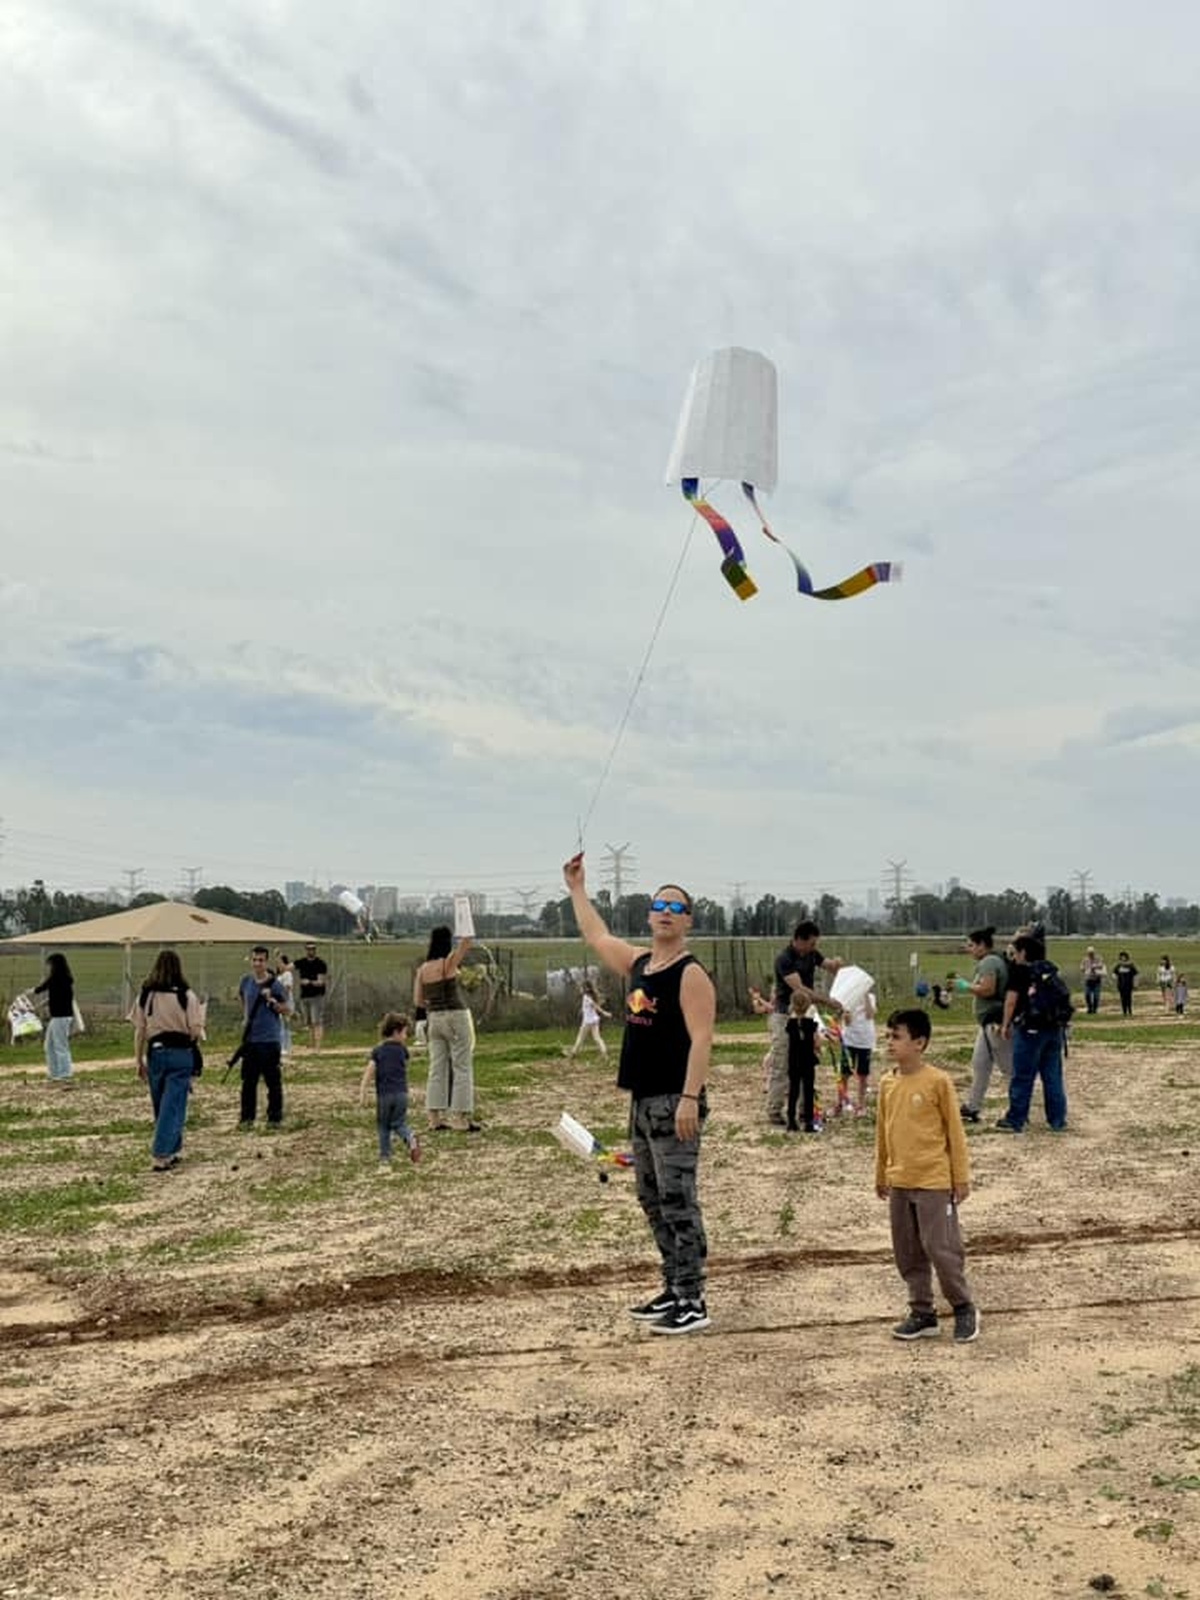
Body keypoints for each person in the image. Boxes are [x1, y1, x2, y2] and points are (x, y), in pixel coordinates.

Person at [563, 855, 715, 1335]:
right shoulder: (640, 964)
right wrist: (577, 889)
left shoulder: (690, 974)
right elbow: (597, 936)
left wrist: (690, 1098)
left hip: (675, 1101)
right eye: (659, 904)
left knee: (678, 1199)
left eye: (677, 905)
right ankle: (673, 1285)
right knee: (650, 1197)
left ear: (687, 920)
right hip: (643, 1100)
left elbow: (702, 1039)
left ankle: (693, 1299)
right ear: (649, 915)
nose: (666, 911)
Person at [875, 1008, 978, 1343]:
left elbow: (955, 1133)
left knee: (940, 1247)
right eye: (888, 1035)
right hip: (900, 1181)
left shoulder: (937, 1081)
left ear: (919, 1042)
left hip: (934, 1180)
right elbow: (882, 1133)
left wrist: (959, 1177)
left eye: (897, 1036)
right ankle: (922, 1312)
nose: (890, 1042)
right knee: (907, 1250)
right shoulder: (887, 1083)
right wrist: (882, 1173)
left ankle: (963, 1308)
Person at [131, 949, 205, 1171]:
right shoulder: (187, 996)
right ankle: (163, 1152)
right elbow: (195, 1031)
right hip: (181, 1053)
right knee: (174, 1104)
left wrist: (138, 1060)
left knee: (161, 1103)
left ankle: (172, 1149)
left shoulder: (146, 995)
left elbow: (140, 1030)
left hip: (156, 1053)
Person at [764, 923, 843, 1125]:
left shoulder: (812, 954)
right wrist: (827, 1001)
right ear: (799, 939)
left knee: (805, 1062)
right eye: (812, 942)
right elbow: (801, 990)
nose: (814, 947)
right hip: (784, 1015)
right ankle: (774, 1110)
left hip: (805, 1015)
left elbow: (828, 965)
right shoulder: (785, 959)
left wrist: (838, 966)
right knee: (782, 1063)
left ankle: (804, 1110)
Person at [999, 933, 1069, 1133]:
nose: (1014, 956)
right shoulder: (1049, 971)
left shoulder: (1020, 972)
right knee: (1052, 1076)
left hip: (1029, 1029)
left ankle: (1016, 1118)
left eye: (1016, 951)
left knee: (1023, 1075)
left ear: (1023, 952)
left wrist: (1005, 1024)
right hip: (1054, 1029)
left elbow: (1011, 1001)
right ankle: (1057, 1120)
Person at [414, 926, 478, 1132]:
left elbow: (418, 1000)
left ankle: (434, 1117)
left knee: (436, 1068)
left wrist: (434, 1005)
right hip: (455, 1016)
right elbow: (467, 942)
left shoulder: (423, 969)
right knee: (462, 1065)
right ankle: (459, 1117)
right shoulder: (448, 963)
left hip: (434, 1018)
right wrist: (465, 923)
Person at [957, 927, 1012, 1124]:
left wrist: (965, 986)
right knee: (980, 1064)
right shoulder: (993, 960)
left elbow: (988, 989)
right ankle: (972, 1106)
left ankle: (1020, 1108)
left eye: (971, 945)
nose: (969, 949)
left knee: (1008, 1068)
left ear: (982, 945)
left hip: (994, 1022)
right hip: (986, 1024)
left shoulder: (989, 962)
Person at [237, 946, 291, 1126]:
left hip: (269, 1040)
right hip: (251, 1040)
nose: (257, 963)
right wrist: (246, 1019)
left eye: (261, 960)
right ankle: (247, 1118)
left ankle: (274, 1118)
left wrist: (273, 1002)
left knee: (273, 1081)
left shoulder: (275, 984)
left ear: (266, 962)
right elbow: (243, 1001)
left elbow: (287, 1010)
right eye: (254, 960)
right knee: (248, 1082)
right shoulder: (246, 982)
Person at [359, 1012, 421, 1170]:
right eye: (405, 1032)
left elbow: (369, 1072)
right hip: (402, 1094)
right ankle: (410, 1137)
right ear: (396, 1032)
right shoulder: (403, 1051)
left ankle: (385, 1159)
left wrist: (363, 1092)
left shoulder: (378, 1051)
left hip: (385, 1096)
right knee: (399, 1122)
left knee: (384, 1126)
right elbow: (404, 1069)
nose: (406, 1036)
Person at [33, 952, 75, 1085]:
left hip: (61, 1017)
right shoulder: (61, 980)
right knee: (49, 1045)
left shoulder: (57, 978)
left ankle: (65, 1073)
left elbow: (41, 988)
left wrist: (30, 992)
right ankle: (54, 1073)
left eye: (50, 964)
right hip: (57, 1017)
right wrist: (36, 1007)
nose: (49, 968)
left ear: (55, 965)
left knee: (60, 1046)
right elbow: (52, 998)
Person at [785, 992, 821, 1133]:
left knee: (793, 1091)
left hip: (794, 1060)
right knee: (808, 1090)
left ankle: (791, 1121)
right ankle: (808, 1122)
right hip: (807, 1060)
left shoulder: (790, 1024)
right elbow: (817, 1042)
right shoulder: (811, 1024)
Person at [840, 981, 877, 1116]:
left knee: (863, 1075)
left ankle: (861, 1105)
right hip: (849, 1040)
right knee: (844, 1074)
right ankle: (842, 1102)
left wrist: (866, 995)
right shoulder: (847, 999)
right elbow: (847, 1021)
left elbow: (870, 1014)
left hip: (865, 1041)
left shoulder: (871, 998)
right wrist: (846, 1012)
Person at [294, 942, 329, 1050]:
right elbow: (286, 967)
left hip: (316, 996)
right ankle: (311, 1044)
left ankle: (318, 1046)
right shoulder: (302, 962)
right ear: (306, 950)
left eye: (312, 949)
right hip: (304, 996)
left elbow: (321, 982)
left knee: (316, 1021)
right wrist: (279, 956)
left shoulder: (320, 964)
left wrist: (308, 982)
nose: (310, 951)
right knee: (308, 1022)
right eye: (308, 949)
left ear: (315, 950)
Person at [566, 980, 611, 1060]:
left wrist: (605, 1013)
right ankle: (604, 1054)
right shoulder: (589, 996)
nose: (580, 989)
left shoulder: (586, 997)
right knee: (597, 1038)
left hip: (587, 1022)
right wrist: (582, 1010)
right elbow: (591, 1006)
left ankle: (573, 1053)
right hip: (594, 1021)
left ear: (586, 988)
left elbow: (595, 1006)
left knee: (580, 1038)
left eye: (582, 987)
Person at [274, 952, 295, 1058]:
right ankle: (284, 1046)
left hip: (286, 1003)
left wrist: (283, 1002)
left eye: (280, 963)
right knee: (280, 1024)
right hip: (279, 1003)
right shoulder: (278, 976)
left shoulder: (287, 974)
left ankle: (286, 1047)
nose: (278, 965)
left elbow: (287, 989)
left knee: (285, 1025)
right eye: (277, 963)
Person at [1080, 947, 1106, 1015]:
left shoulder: (1098, 958)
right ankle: (1089, 1008)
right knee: (1087, 995)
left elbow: (1101, 965)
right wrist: (1084, 969)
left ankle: (1094, 1009)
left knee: (1096, 996)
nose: (1090, 954)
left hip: (1096, 980)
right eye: (1089, 953)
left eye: (1092, 953)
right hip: (1088, 980)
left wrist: (1095, 966)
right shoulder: (1085, 960)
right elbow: (1082, 968)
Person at [1113, 952, 1138, 1018]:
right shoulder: (1118, 966)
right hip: (1121, 985)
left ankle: (1130, 1011)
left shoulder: (1130, 965)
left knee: (1129, 998)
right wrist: (1115, 981)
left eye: (1124, 957)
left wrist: (1135, 983)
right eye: (1121, 957)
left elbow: (1135, 974)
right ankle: (1124, 1012)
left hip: (1129, 985)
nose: (1123, 958)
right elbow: (1114, 974)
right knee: (1122, 999)